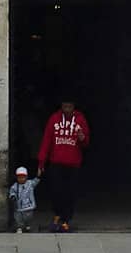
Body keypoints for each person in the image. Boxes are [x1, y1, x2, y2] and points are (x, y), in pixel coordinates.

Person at [37, 97, 89, 233]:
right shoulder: (54, 119)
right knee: (56, 191)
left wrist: (82, 138)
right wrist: (42, 161)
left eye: (69, 107)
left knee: (70, 192)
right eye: (64, 107)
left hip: (73, 163)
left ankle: (66, 220)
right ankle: (57, 216)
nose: (66, 110)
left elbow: (86, 142)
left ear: (73, 107)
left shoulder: (80, 119)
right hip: (56, 162)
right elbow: (47, 140)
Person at [8, 166, 39, 233]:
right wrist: (13, 196)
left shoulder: (30, 184)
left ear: (26, 177)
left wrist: (38, 176)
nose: (21, 179)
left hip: (28, 206)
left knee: (28, 217)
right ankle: (19, 227)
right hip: (19, 206)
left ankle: (27, 225)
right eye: (19, 177)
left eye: (23, 177)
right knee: (18, 218)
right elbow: (12, 191)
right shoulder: (15, 186)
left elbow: (36, 181)